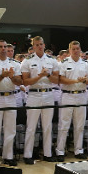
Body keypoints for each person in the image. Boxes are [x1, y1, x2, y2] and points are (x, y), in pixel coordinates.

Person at [21, 36, 60, 164]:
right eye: (36, 44)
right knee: (31, 127)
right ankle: (27, 155)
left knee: (47, 126)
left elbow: (56, 80)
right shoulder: (27, 61)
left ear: (44, 45)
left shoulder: (52, 60)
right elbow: (26, 82)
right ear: (33, 46)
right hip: (34, 94)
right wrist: (40, 76)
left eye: (41, 44)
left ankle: (48, 154)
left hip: (48, 94)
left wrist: (47, 75)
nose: (39, 46)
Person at [56, 41, 88, 161]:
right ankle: (60, 151)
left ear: (80, 49)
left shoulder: (86, 64)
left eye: (77, 49)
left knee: (80, 125)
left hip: (82, 95)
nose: (76, 51)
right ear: (69, 50)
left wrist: (85, 80)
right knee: (64, 125)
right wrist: (76, 81)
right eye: (73, 49)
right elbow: (61, 79)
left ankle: (79, 150)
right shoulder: (64, 63)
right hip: (68, 95)